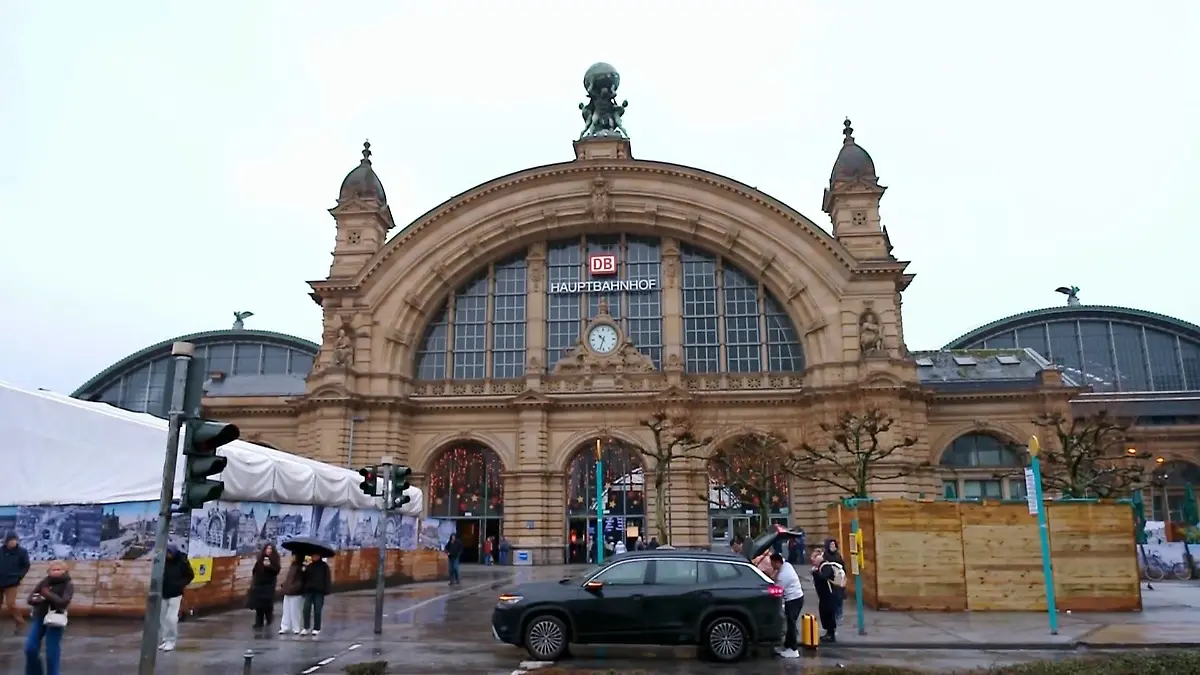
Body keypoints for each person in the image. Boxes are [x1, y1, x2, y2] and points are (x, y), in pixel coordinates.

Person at [24, 559, 73, 675]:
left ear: (65, 571)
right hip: (40, 617)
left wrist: (47, 595)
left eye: (58, 569)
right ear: (48, 571)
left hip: (55, 619)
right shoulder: (44, 582)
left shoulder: (68, 584)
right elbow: (30, 599)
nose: (55, 572)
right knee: (30, 648)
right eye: (53, 569)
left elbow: (63, 602)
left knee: (51, 653)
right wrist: (38, 599)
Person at [159, 545, 194, 652]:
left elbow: (190, 575)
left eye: (169, 553)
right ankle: (165, 639)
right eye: (167, 553)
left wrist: (180, 584)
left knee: (171, 618)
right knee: (162, 618)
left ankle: (171, 640)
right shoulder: (163, 561)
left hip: (175, 594)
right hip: (164, 593)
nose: (168, 556)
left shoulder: (182, 561)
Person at [770, 552, 804, 659]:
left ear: (777, 562)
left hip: (793, 600)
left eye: (773, 564)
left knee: (791, 624)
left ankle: (793, 649)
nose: (772, 566)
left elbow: (777, 590)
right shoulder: (786, 565)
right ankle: (787, 646)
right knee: (790, 623)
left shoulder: (783, 575)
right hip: (797, 598)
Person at [812, 546, 845, 643]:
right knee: (825, 614)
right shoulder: (822, 567)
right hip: (825, 596)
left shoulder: (825, 567)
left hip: (829, 596)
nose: (813, 562)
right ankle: (828, 633)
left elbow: (824, 577)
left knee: (828, 614)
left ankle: (830, 634)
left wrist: (816, 573)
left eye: (814, 560)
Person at [0, 533, 31, 634]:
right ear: (6, 541)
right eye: (10, 540)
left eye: (15, 540)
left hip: (12, 582)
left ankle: (20, 622)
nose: (13, 542)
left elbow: (26, 565)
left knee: (10, 604)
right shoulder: (1, 551)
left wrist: (19, 576)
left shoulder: (22, 552)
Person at [247, 544, 281, 630]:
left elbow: (276, 571)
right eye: (267, 548)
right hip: (259, 585)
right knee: (258, 605)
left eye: (270, 549)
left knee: (267, 604)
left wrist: (269, 566)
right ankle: (259, 622)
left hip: (269, 585)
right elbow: (254, 571)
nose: (268, 550)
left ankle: (269, 617)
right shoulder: (260, 560)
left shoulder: (274, 560)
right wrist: (253, 582)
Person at [300, 553, 331, 637]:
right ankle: (306, 627)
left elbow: (327, 579)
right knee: (306, 609)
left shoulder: (324, 566)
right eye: (313, 556)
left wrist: (326, 590)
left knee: (317, 610)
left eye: (316, 556)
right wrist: (303, 570)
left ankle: (317, 628)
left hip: (319, 591)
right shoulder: (309, 566)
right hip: (309, 591)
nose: (315, 557)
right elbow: (304, 578)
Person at [278, 554, 304, 635]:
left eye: (293, 556)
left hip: (296, 592)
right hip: (288, 590)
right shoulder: (292, 566)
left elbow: (301, 580)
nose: (292, 558)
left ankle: (296, 628)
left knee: (295, 610)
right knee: (286, 610)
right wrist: (285, 585)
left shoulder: (301, 567)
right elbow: (289, 578)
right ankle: (285, 626)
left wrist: (295, 587)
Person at [823, 538, 846, 621]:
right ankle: (835, 614)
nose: (833, 547)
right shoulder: (825, 555)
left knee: (839, 598)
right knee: (833, 598)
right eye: (831, 545)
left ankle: (839, 614)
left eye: (834, 545)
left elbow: (843, 565)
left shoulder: (838, 554)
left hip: (839, 579)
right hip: (831, 580)